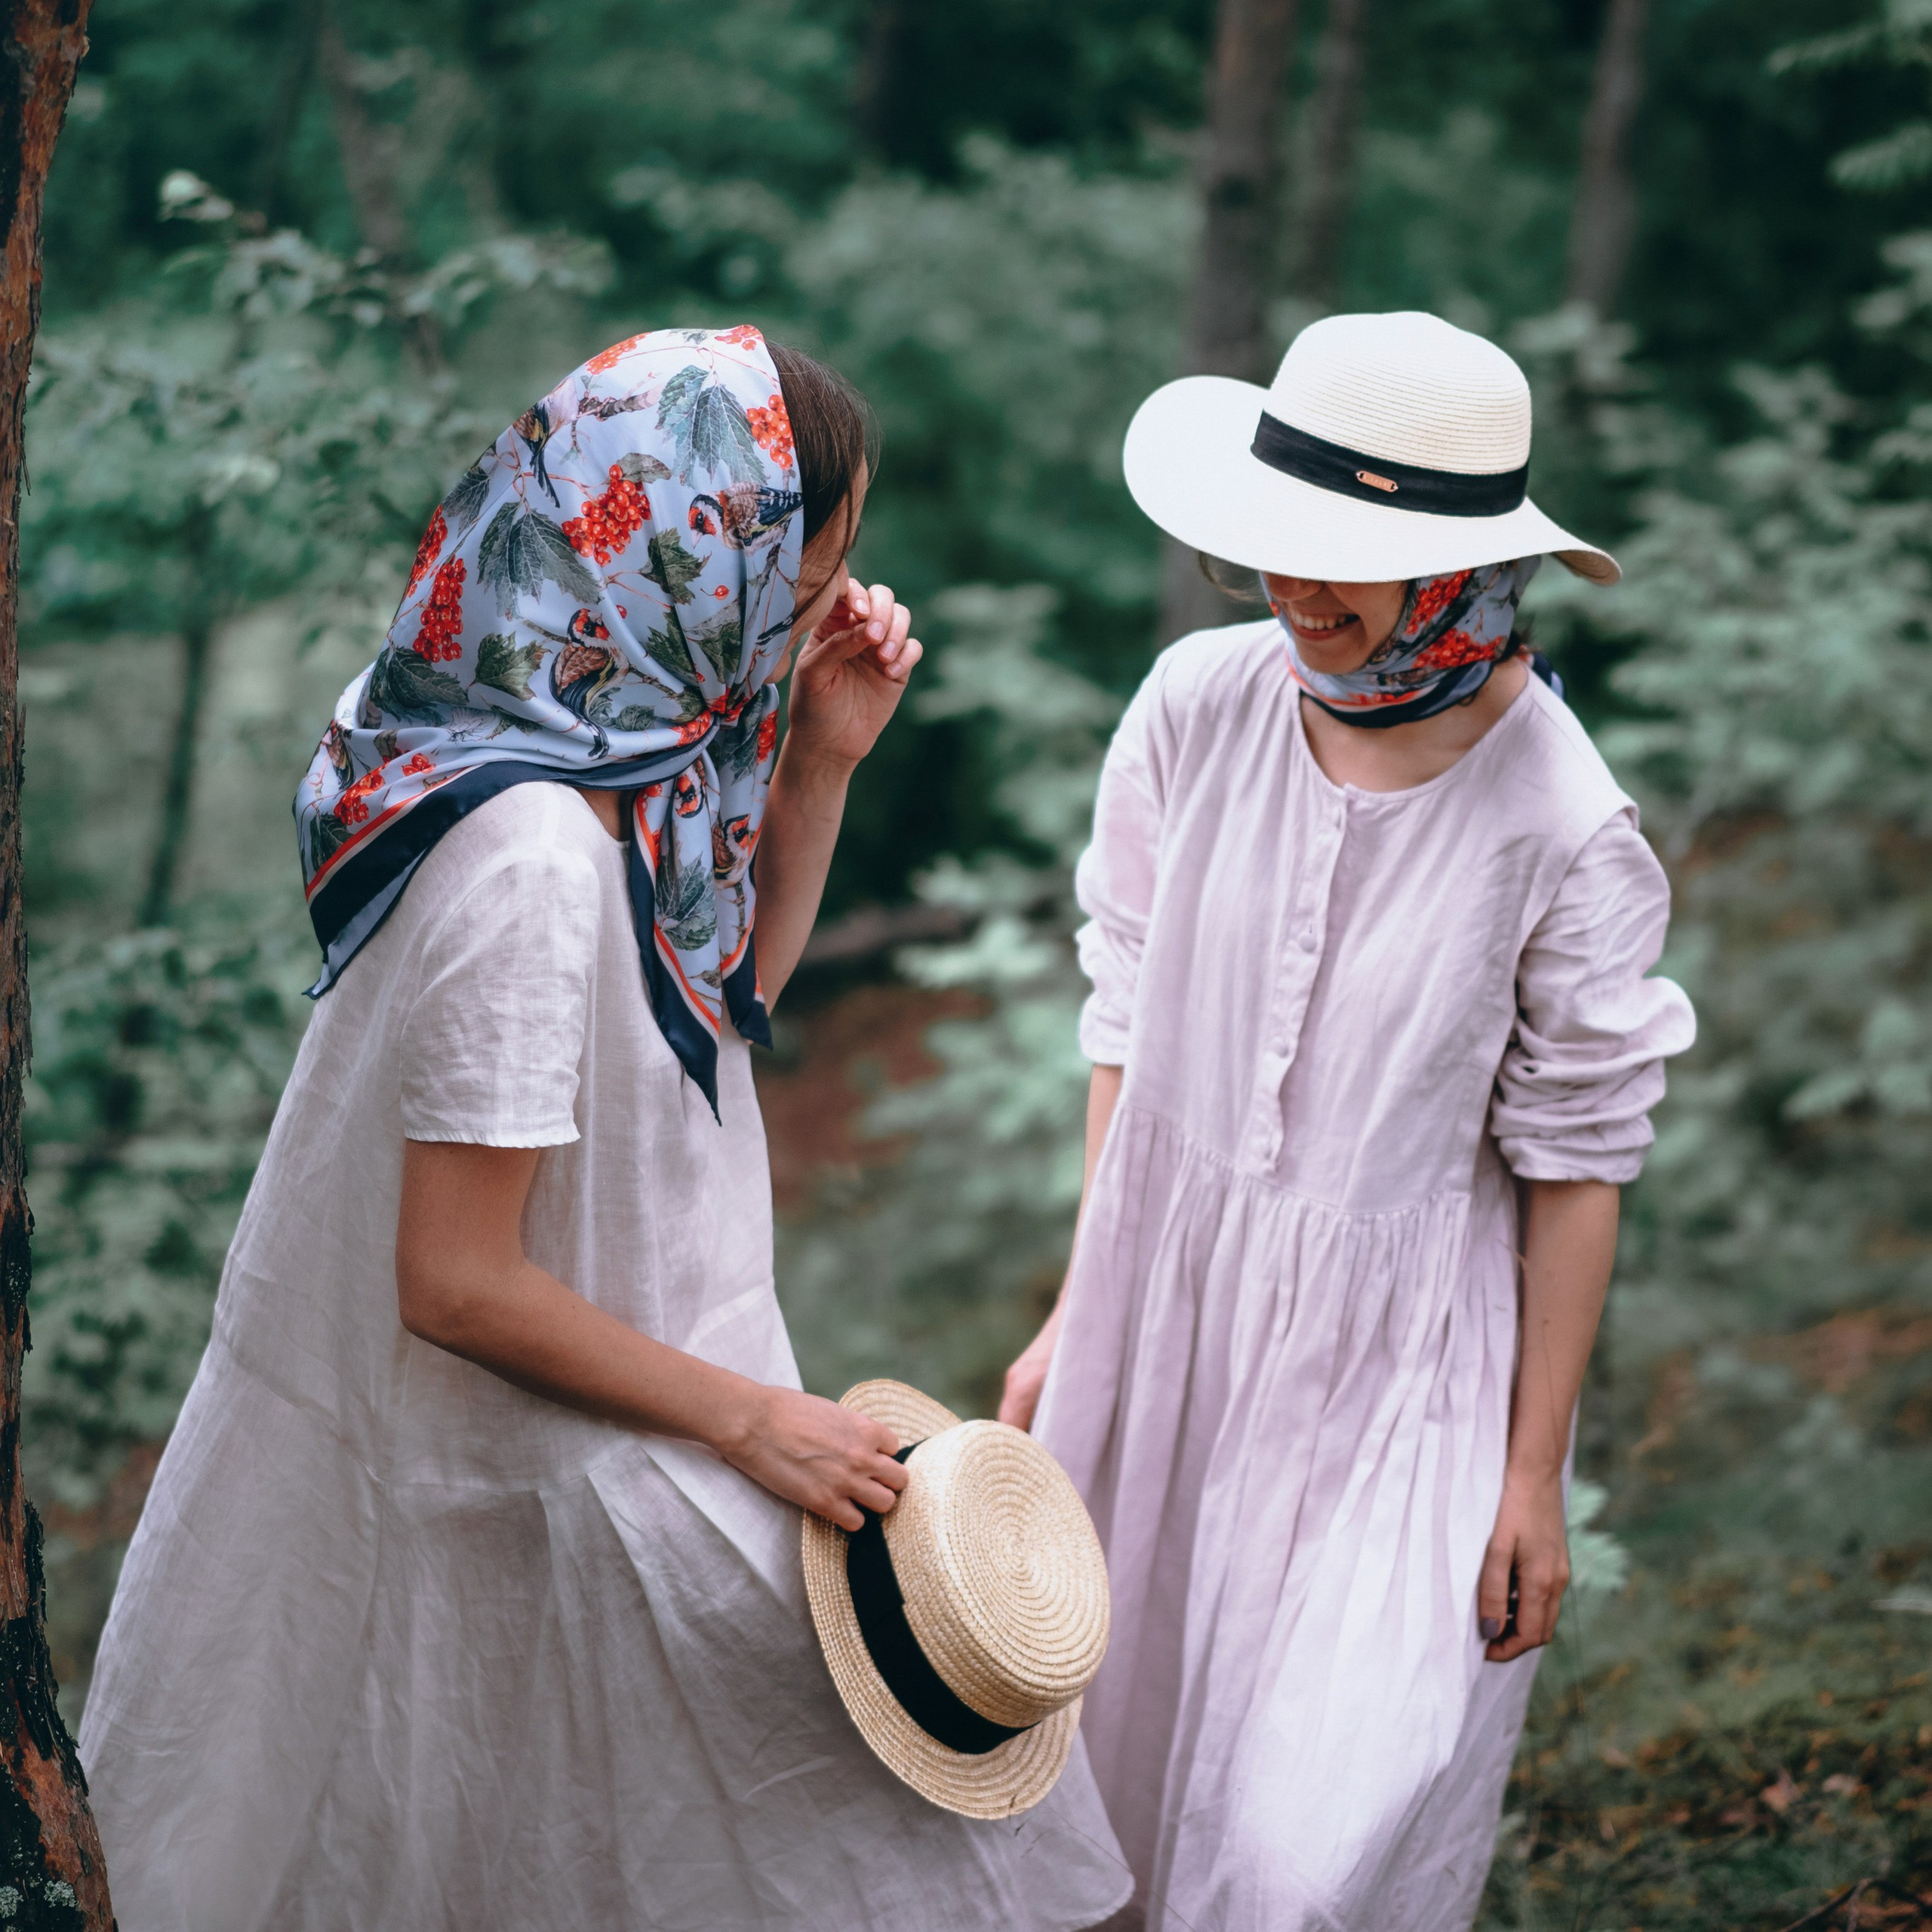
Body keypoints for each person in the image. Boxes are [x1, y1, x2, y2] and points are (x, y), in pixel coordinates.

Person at [79, 327, 1129, 1932]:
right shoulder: (525, 859)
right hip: (561, 1438)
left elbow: (711, 1021)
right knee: (854, 1824)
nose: (826, 599)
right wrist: (746, 1423)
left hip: (647, 1394)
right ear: (696, 559)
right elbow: (452, 1280)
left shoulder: (634, 761)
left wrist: (821, 766)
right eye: (810, 560)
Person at [998, 311, 1697, 1932]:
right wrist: (1078, 1301)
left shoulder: (1563, 822)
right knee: (1088, 1776)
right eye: (1278, 551)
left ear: (1461, 564)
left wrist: (1529, 1474)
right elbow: (1126, 1013)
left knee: (1306, 1857)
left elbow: (1579, 1161)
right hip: (1163, 1320)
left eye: (1350, 561)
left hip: (1400, 1377)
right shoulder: (1193, 703)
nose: (1300, 597)